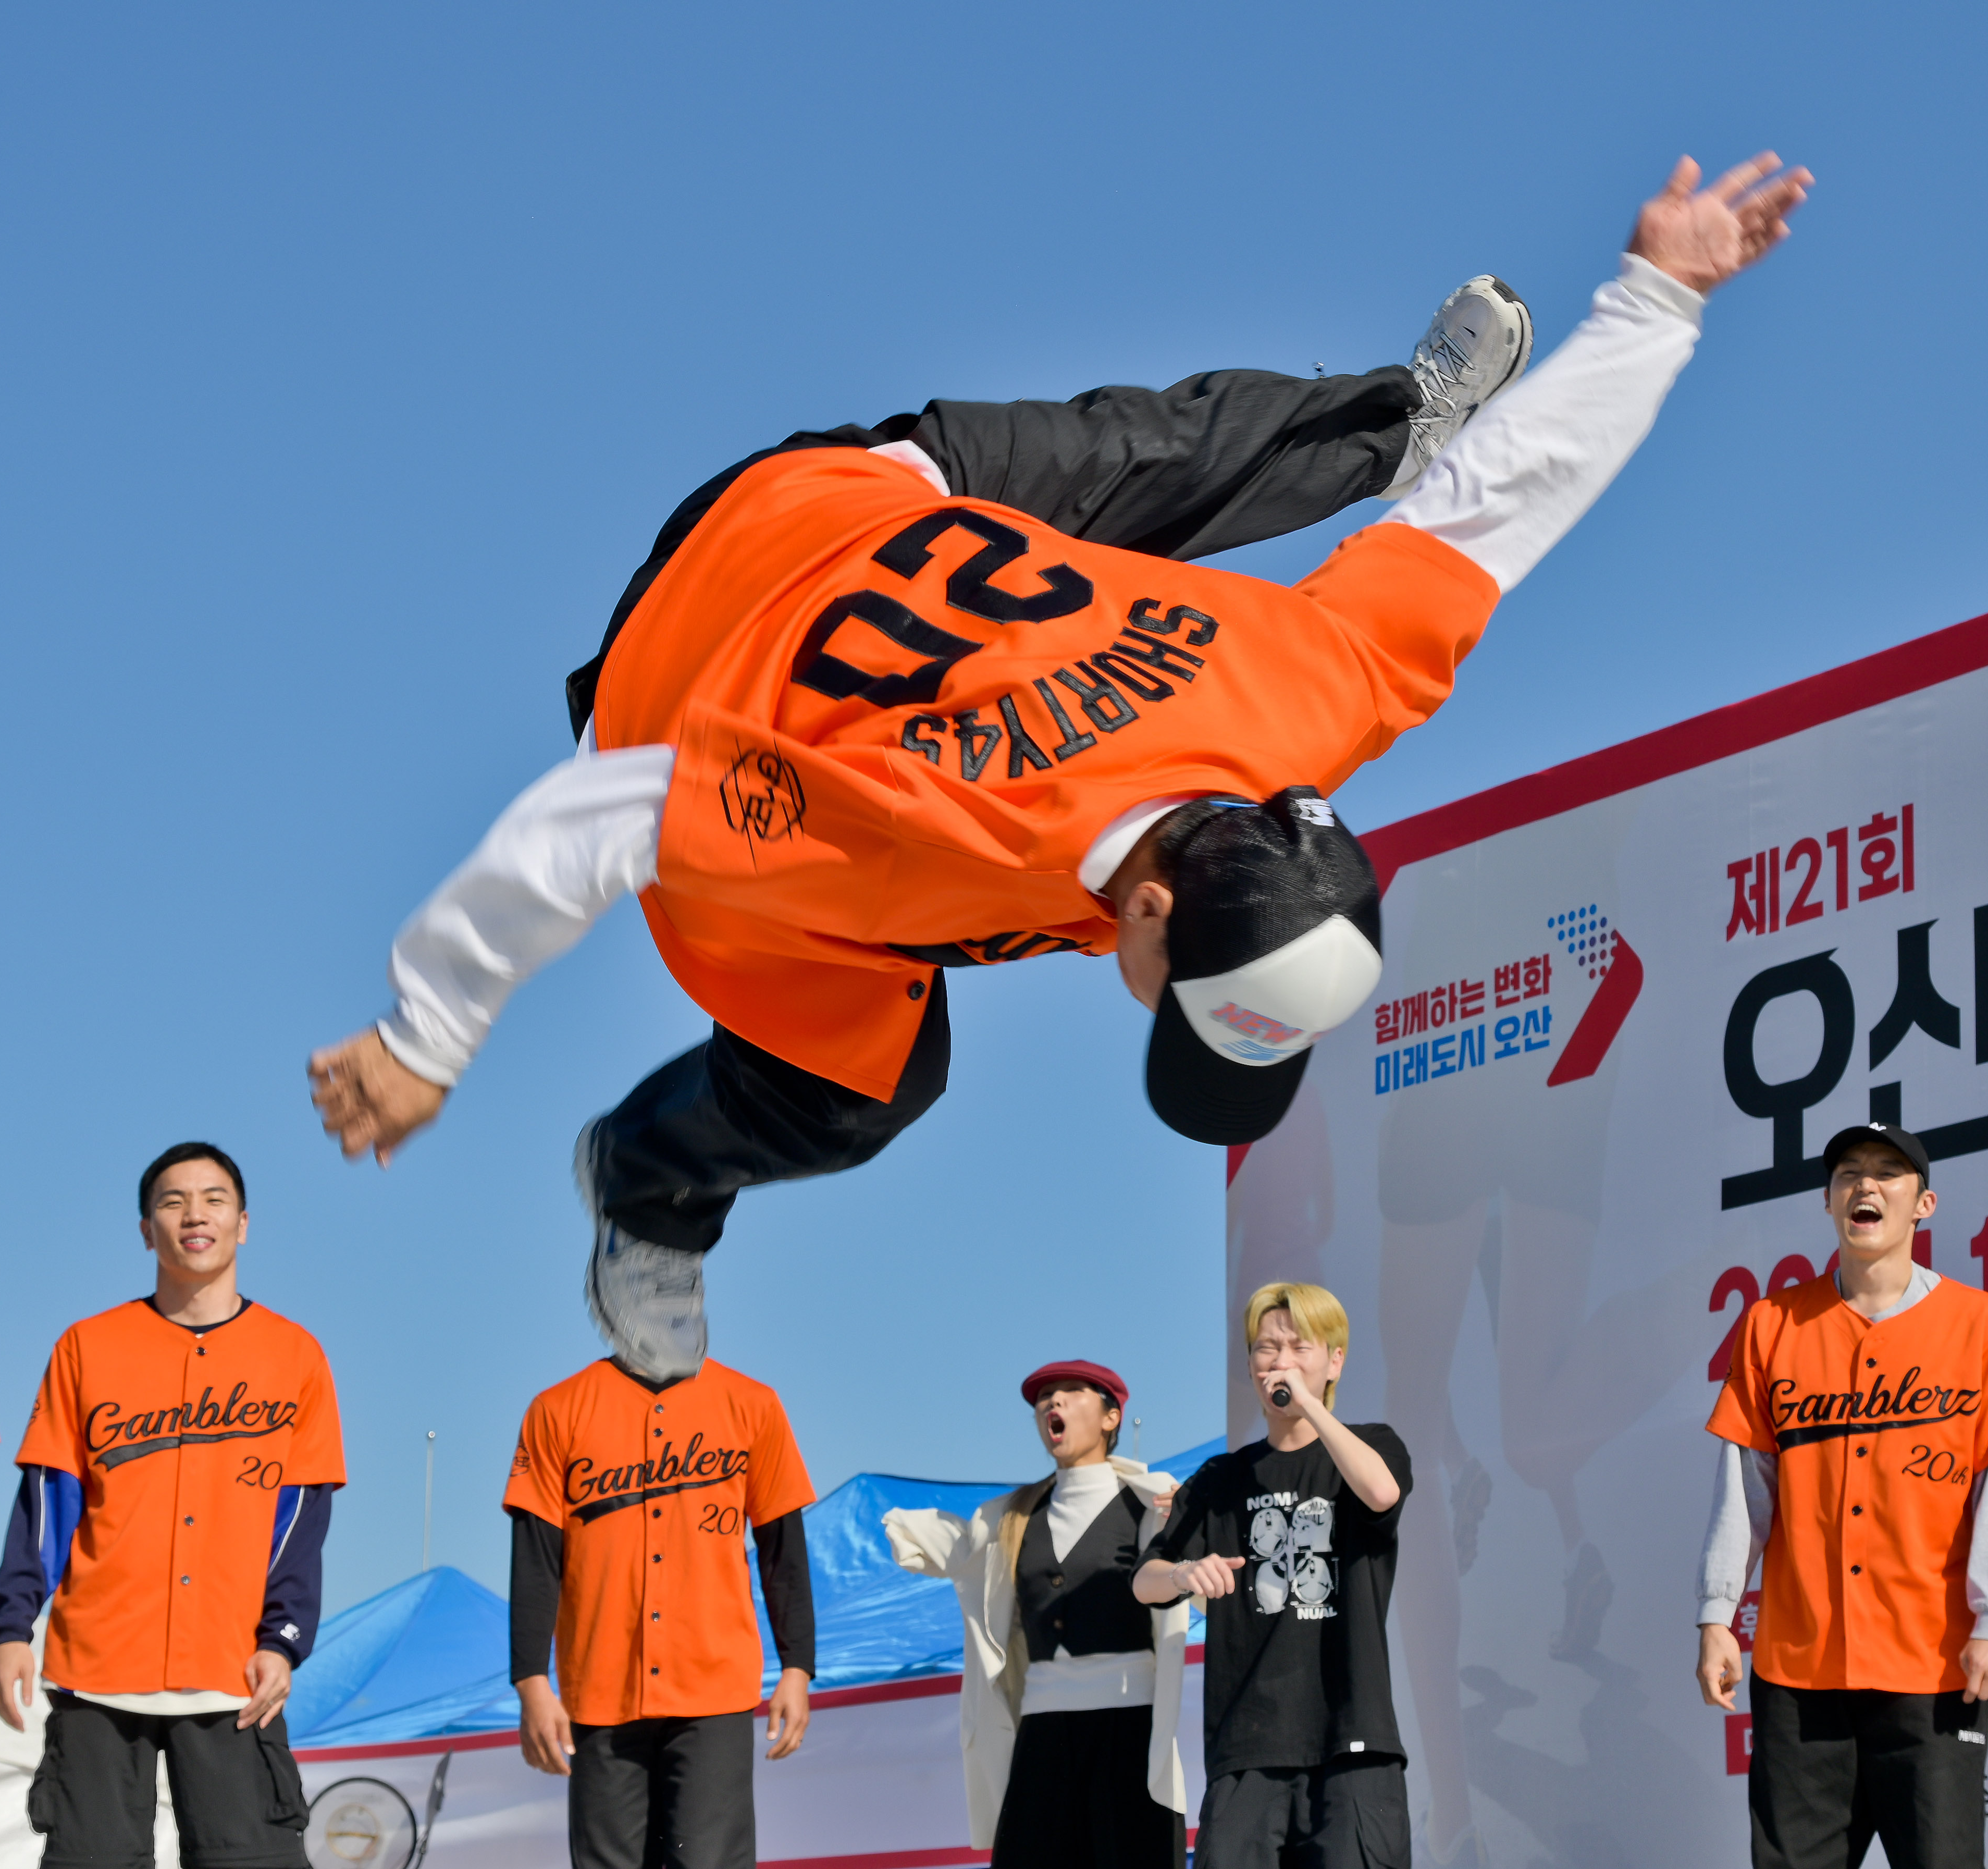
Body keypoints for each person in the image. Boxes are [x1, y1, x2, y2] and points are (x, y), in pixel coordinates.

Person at [308, 153, 1812, 1378]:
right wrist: (425, 1036)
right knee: (879, 1082)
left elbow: (1502, 506)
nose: (1151, 1018)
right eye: (1178, 1008)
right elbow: (597, 818)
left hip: (866, 506)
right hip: (683, 663)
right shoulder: (929, 837)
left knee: (1153, 482)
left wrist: (1661, 294)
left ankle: (1380, 433)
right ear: (1151, 912)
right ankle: (647, 1188)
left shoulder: (1314, 691)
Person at [0, 1142, 344, 1869]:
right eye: (173, 1202)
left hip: (231, 1670)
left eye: (215, 1199)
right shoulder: (88, 1347)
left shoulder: (294, 1355)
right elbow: (48, 1497)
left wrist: (285, 1637)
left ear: (243, 1222)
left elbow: (301, 1516)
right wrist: (15, 1620)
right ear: (146, 1227)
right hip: (99, 1659)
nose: (195, 1216)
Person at [1695, 1122, 1988, 1869]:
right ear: (1830, 1204)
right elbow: (1742, 1485)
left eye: (1886, 1177)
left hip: (1932, 1661)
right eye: (1847, 1176)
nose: (1865, 1189)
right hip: (1798, 1659)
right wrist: (1717, 1609)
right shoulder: (1773, 1324)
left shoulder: (1979, 1325)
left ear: (1922, 1206)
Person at [1138, 1282, 1443, 1869]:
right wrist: (1183, 1573)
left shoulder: (1367, 1447)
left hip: (1351, 1741)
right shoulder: (1221, 1479)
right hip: (1245, 1743)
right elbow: (1141, 1580)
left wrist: (1309, 1408)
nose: (1276, 1361)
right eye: (1264, 1349)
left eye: (1296, 1345)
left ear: (1333, 1360)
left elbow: (1379, 1493)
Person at [507, 1351, 818, 1869]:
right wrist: (530, 1677)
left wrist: (797, 1664)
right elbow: (537, 1547)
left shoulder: (750, 1401)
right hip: (600, 1692)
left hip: (712, 1689)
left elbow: (783, 1541)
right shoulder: (560, 1406)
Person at [883, 1360, 1189, 1869]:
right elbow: (959, 1553)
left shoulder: (1153, 1502)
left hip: (1132, 1733)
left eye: (1071, 1394)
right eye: (1042, 1399)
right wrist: (911, 1531)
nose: (1052, 1404)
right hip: (1045, 1736)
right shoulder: (1011, 1516)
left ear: (1112, 1415)